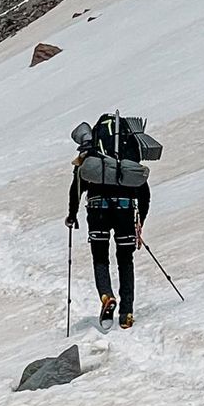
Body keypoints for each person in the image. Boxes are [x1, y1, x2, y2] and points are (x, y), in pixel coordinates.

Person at [66, 115, 152, 329]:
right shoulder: (128, 154)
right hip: (125, 211)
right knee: (125, 260)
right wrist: (140, 219)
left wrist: (72, 214)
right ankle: (126, 313)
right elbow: (143, 190)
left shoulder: (91, 153)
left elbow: (76, 187)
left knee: (100, 259)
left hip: (97, 212)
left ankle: (106, 296)